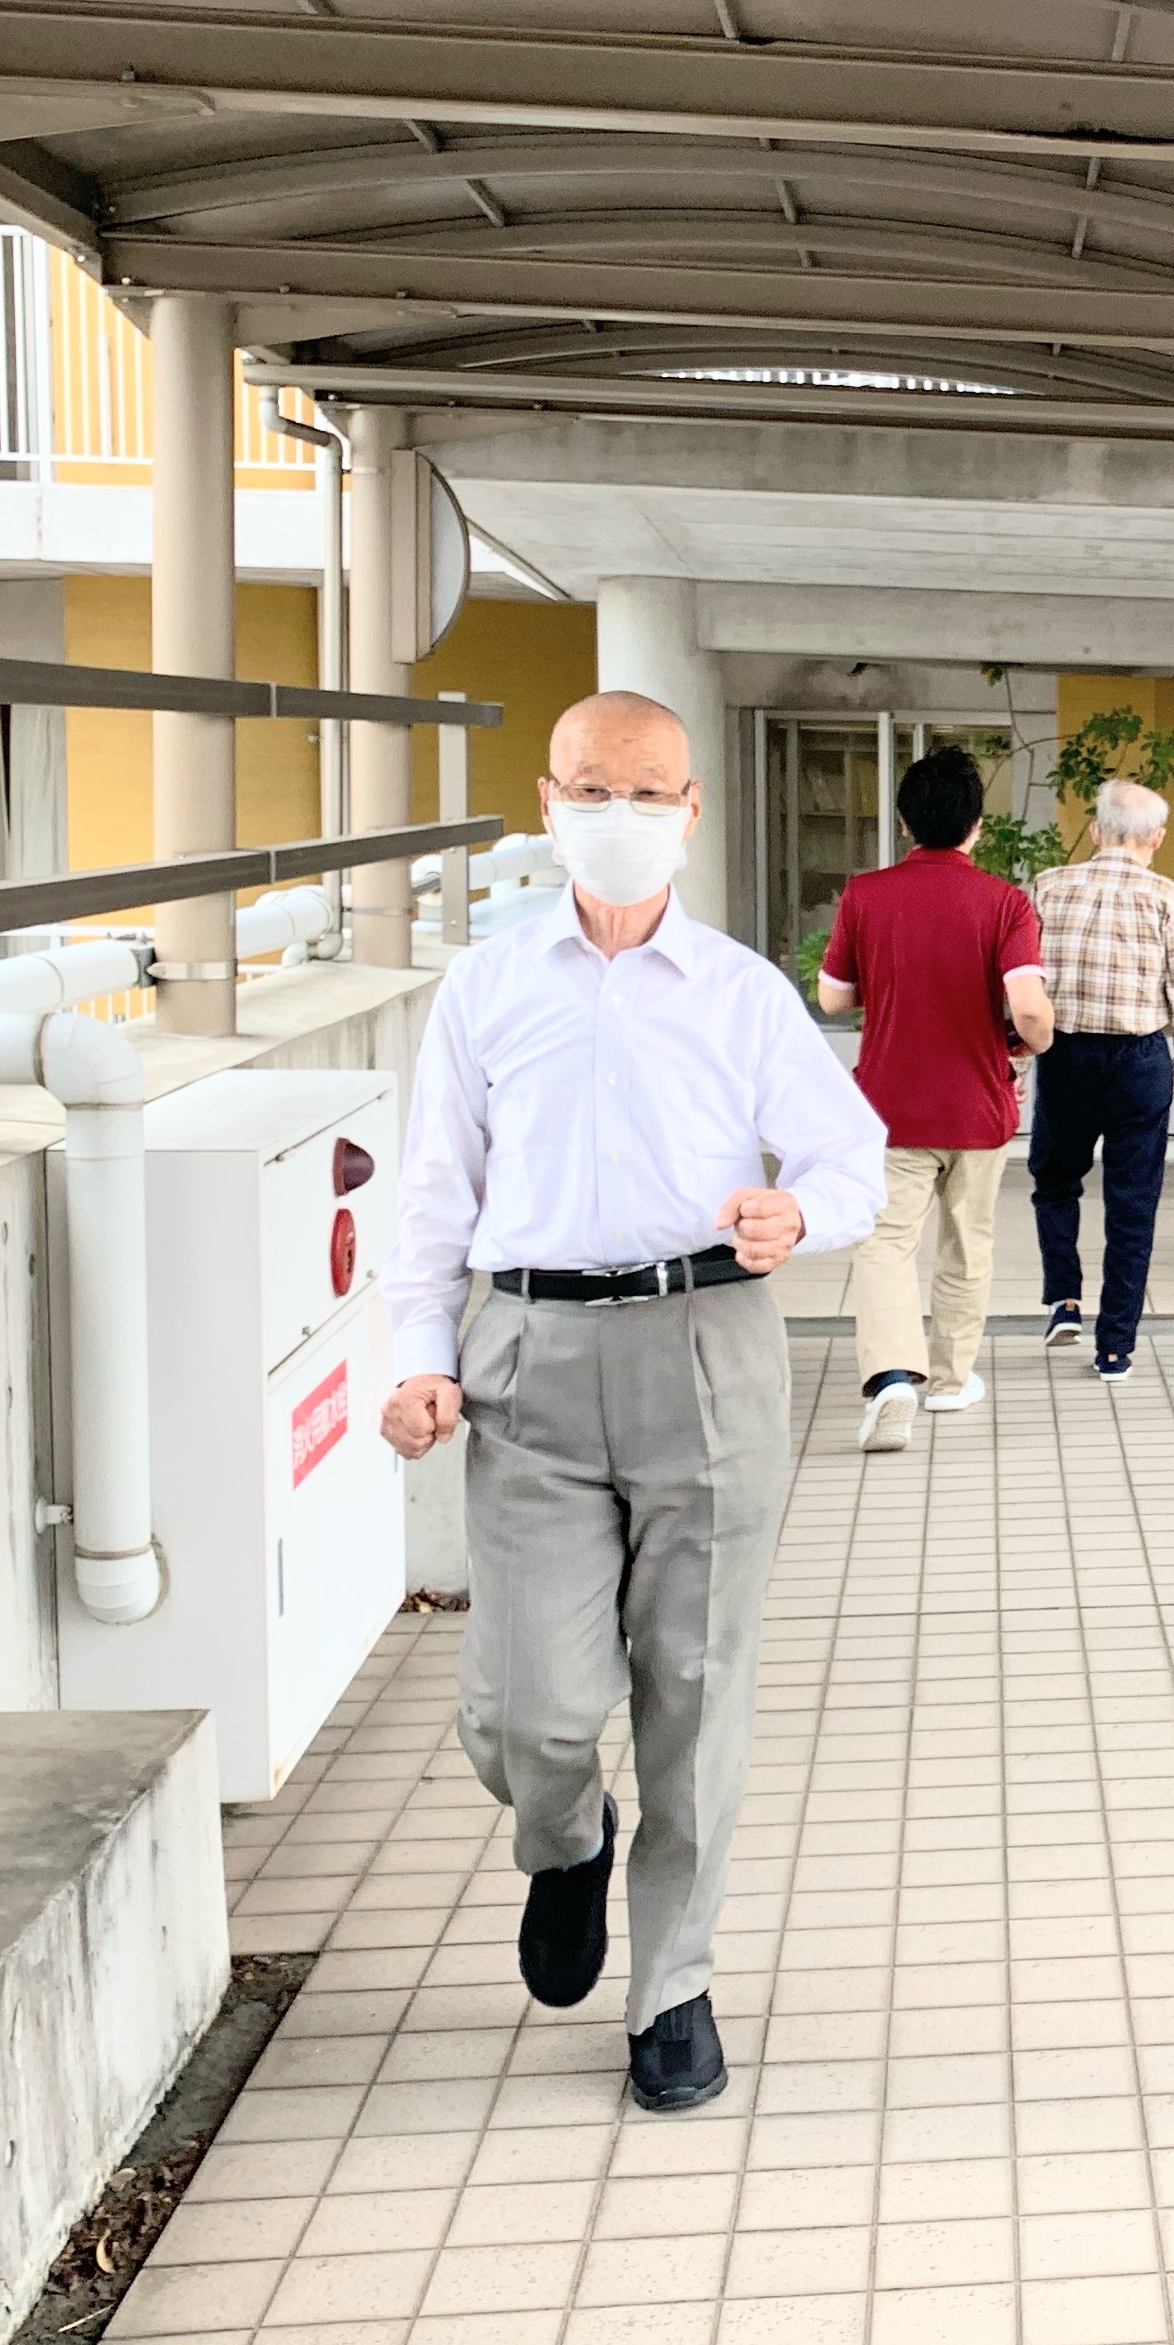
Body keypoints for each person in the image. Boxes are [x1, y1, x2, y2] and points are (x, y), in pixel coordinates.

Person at [379, 689, 886, 2116]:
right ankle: (566, 1840)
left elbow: (851, 1156)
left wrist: (800, 1214)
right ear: (548, 803)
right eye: (594, 789)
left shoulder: (740, 991)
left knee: (696, 1688)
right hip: (529, 1353)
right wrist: (419, 1354)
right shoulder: (485, 989)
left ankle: (672, 1985)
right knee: (526, 1711)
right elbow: (434, 1195)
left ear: (691, 810)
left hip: (707, 1344)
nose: (622, 815)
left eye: (650, 792)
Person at [817, 747, 1054, 1453]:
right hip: (977, 1106)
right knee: (967, 1243)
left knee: (886, 1242)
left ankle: (893, 1378)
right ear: (978, 825)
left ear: (903, 821)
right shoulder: (1005, 903)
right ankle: (950, 1381)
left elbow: (833, 997)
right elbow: (1028, 1006)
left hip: (889, 1108)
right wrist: (1032, 1042)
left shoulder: (865, 894)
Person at [1028, 777, 1174, 1384]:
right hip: (1138, 1061)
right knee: (1132, 1205)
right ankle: (1114, 1350)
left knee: (1055, 1179)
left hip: (1065, 1053)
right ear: (1156, 838)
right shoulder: (1169, 898)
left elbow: (1024, 985)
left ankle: (1064, 1297)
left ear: (1095, 830)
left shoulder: (1048, 887)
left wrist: (1016, 1059)